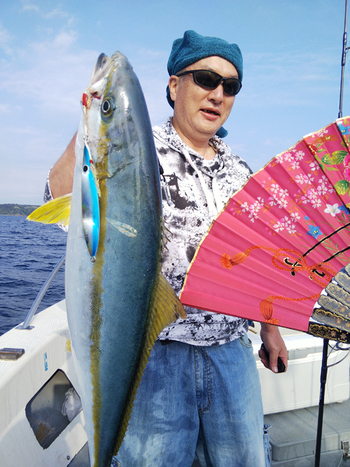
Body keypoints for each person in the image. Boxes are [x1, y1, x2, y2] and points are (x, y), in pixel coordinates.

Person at [46, 30, 288, 467]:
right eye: (205, 78)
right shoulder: (136, 144)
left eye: (229, 86)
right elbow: (60, 196)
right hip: (154, 353)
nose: (217, 94)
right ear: (175, 85)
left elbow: (259, 261)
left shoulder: (241, 171)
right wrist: (95, 123)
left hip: (230, 351)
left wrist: (271, 331)